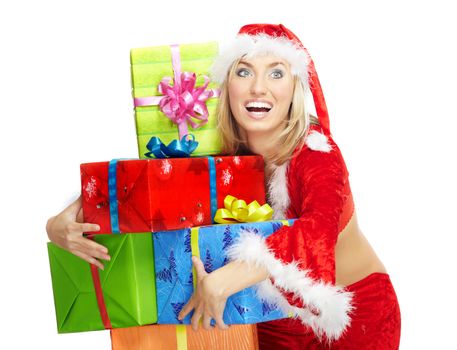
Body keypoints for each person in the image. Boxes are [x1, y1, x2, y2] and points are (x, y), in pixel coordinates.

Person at [46, 24, 401, 349]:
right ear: (227, 85)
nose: (258, 87)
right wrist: (64, 219)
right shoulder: (223, 153)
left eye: (276, 73)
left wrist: (226, 280)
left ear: (294, 88)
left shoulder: (317, 153)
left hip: (350, 318)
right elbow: (148, 181)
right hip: (269, 321)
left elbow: (315, 233)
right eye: (244, 72)